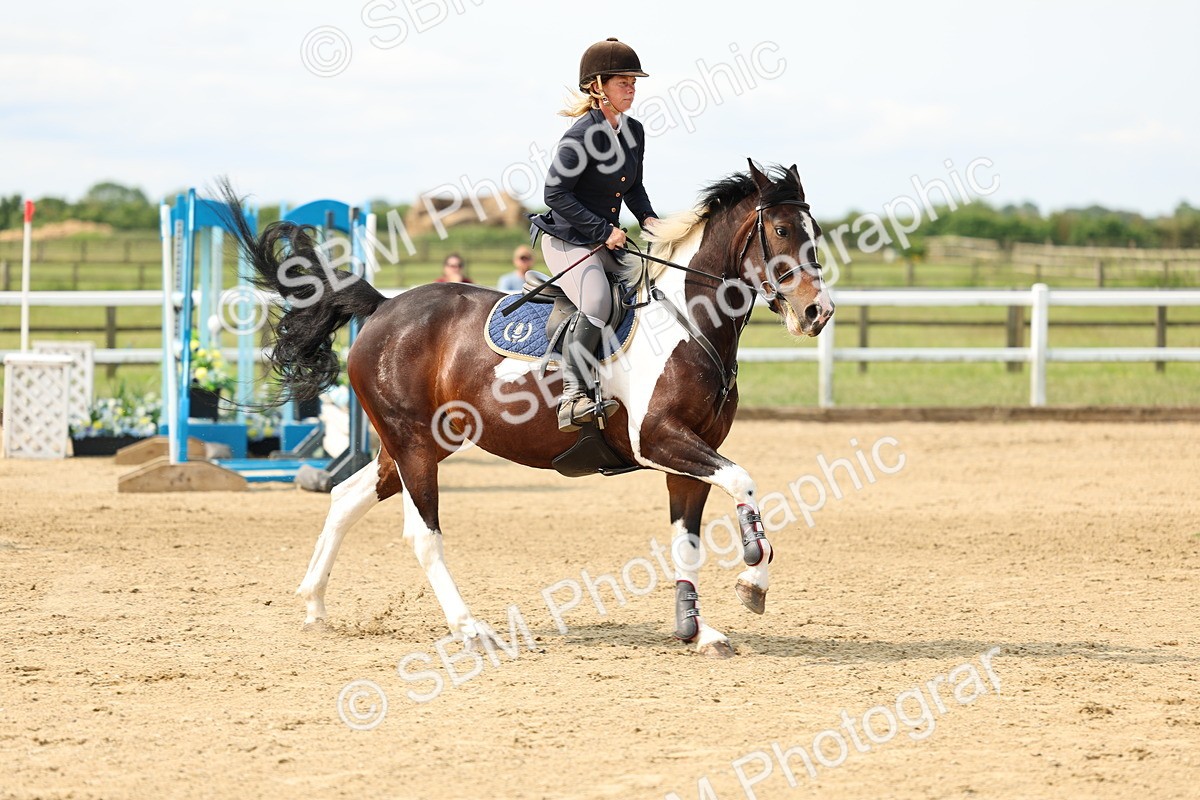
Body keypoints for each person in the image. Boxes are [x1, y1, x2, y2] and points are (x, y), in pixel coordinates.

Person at [529, 37, 659, 432]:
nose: (632, 90)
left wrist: (650, 219)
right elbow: (554, 194)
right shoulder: (580, 136)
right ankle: (573, 396)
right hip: (568, 240)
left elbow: (632, 186)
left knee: (652, 291)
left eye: (634, 83)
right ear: (597, 86)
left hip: (606, 242)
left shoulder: (633, 131)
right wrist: (603, 230)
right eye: (624, 83)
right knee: (599, 301)